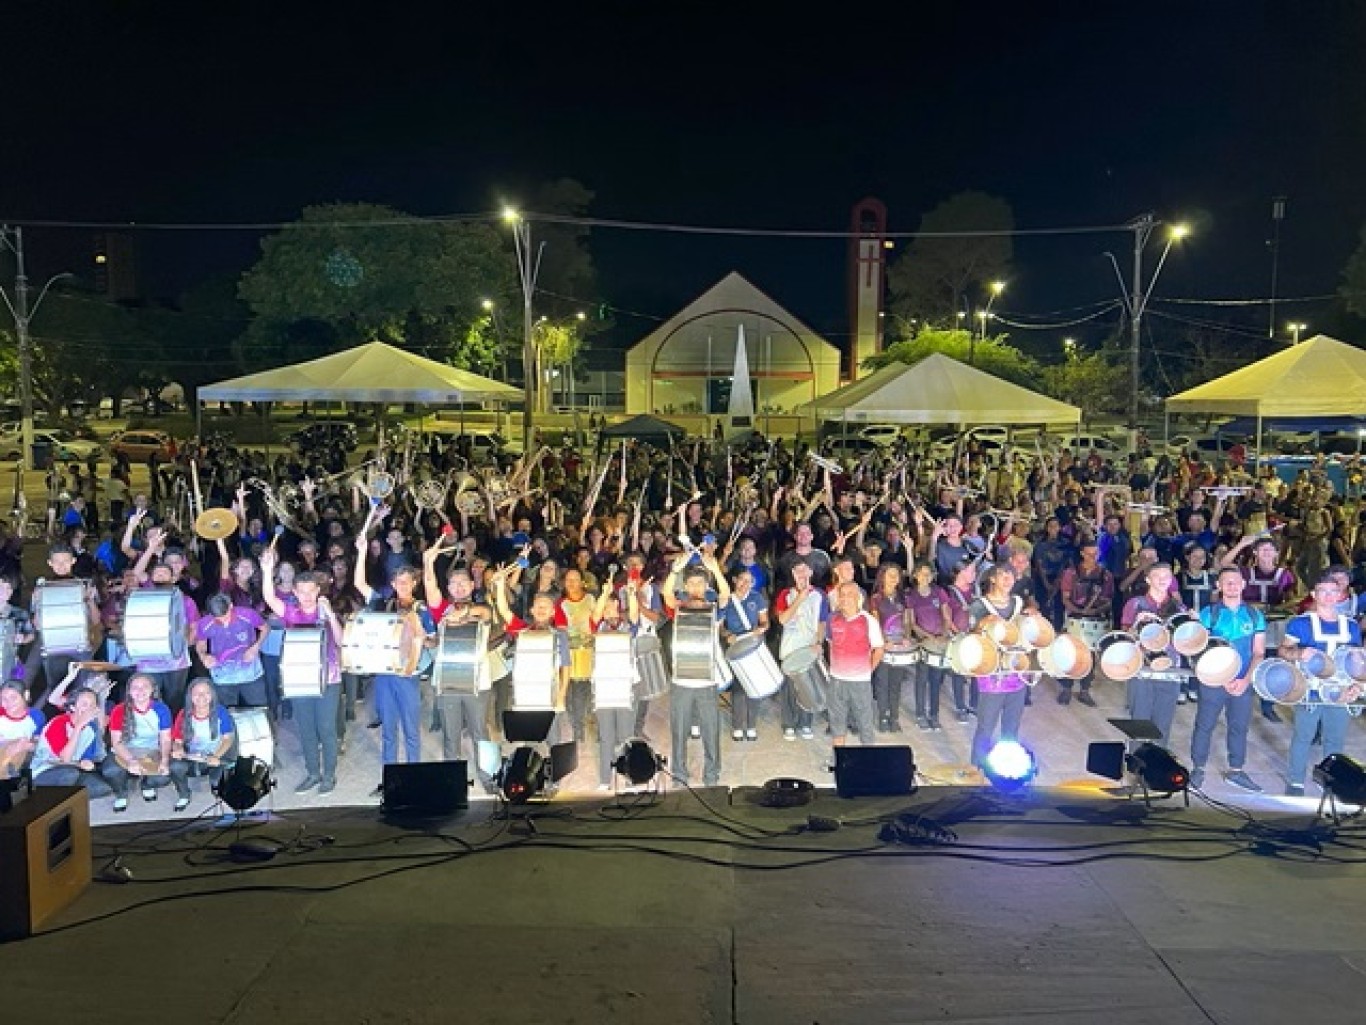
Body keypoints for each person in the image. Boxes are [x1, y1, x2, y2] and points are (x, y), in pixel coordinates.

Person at [261, 548, 344, 795]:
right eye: (302, 591)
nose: (307, 596)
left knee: (326, 728)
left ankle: (329, 775)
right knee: (306, 728)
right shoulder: (291, 611)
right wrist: (267, 571)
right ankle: (312, 773)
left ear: (318, 591)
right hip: (299, 679)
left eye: (312, 591)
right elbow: (269, 598)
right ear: (295, 592)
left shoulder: (327, 612)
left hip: (328, 677)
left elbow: (341, 641)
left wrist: (329, 613)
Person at [353, 534, 434, 774]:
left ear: (414, 584)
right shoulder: (383, 603)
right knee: (388, 728)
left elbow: (433, 640)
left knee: (411, 728)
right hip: (385, 672)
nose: (403, 586)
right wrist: (362, 552)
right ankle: (391, 777)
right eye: (399, 582)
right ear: (393, 583)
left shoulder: (422, 610)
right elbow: (359, 584)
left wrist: (421, 635)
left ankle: (413, 774)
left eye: (407, 582)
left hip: (408, 673)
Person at [1280, 576, 1362, 797]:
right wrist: (1297, 653)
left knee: (1334, 739)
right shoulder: (1300, 623)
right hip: (1310, 689)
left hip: (1340, 690)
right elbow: (1283, 650)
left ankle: (1330, 780)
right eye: (1322, 591)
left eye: (1332, 591)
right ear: (1314, 595)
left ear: (1340, 596)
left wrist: (1357, 685)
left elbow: (1356, 661)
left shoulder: (1351, 626)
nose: (1327, 596)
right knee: (1303, 736)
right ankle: (1295, 781)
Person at [1191, 566, 1267, 792]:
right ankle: (1198, 768)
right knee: (1204, 725)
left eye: (1236, 582)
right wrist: (1221, 677)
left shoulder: (1254, 615)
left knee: (1239, 727)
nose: (1232, 586)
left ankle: (1236, 770)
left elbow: (1259, 652)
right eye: (1227, 582)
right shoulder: (1209, 613)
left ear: (1243, 584)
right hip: (1214, 680)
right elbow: (1198, 649)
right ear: (1219, 586)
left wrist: (1245, 680)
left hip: (1243, 680)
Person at [661, 549, 731, 787]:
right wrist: (675, 570)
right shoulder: (678, 607)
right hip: (681, 681)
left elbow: (725, 596)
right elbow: (667, 594)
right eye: (691, 583)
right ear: (686, 586)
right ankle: (679, 775)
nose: (696, 588)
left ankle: (711, 775)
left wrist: (715, 570)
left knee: (711, 733)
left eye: (700, 583)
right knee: (679, 732)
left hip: (706, 681)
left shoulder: (714, 609)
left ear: (706, 585)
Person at [1120, 563, 1188, 746]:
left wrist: (1193, 626)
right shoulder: (1135, 604)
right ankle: (1136, 762)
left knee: (1163, 722)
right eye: (1158, 575)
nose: (1163, 579)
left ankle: (1157, 763)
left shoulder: (1179, 608)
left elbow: (1186, 644)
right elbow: (1125, 639)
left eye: (1167, 576)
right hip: (1142, 668)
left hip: (1171, 669)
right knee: (1140, 719)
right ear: (1148, 579)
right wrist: (1136, 624)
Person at [967, 565, 1028, 767]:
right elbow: (971, 638)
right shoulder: (980, 605)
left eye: (1011, 575)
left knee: (1012, 727)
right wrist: (983, 624)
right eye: (1003, 575)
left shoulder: (1018, 603)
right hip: (992, 675)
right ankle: (977, 768)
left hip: (1016, 672)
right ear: (992, 579)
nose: (1008, 579)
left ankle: (1005, 766)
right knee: (986, 726)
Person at [101, 672, 174, 813]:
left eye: (145, 686)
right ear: (129, 691)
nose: (140, 691)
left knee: (163, 777)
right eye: (135, 687)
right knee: (110, 771)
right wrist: (131, 760)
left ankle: (147, 784)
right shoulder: (118, 710)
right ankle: (121, 793)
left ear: (152, 689)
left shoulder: (162, 709)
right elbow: (117, 742)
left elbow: (165, 739)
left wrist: (164, 760)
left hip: (152, 750)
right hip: (126, 750)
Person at [825, 581, 884, 747]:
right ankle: (839, 759)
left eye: (849, 595)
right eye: (841, 595)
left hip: (860, 682)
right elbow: (831, 644)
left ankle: (868, 759)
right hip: (837, 681)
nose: (844, 599)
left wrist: (867, 671)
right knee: (837, 723)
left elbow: (878, 649)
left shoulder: (868, 621)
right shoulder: (832, 619)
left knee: (865, 723)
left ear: (858, 597)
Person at [774, 558, 826, 741]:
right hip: (790, 648)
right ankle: (788, 724)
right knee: (789, 689)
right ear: (793, 575)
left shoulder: (819, 595)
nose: (802, 575)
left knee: (808, 687)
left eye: (805, 571)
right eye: (797, 572)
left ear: (810, 572)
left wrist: (819, 642)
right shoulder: (785, 594)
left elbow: (822, 621)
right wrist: (799, 598)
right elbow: (782, 619)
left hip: (809, 647)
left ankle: (805, 723)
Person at [29, 685, 112, 796]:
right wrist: (78, 727)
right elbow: (65, 759)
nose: (89, 709)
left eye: (92, 705)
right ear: (72, 707)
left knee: (102, 788)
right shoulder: (58, 723)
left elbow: (87, 755)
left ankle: (69, 792)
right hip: (45, 770)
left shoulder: (91, 728)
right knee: (69, 775)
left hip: (73, 767)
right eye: (84, 704)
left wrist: (86, 761)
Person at [168, 677, 236, 812]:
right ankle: (184, 794)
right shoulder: (183, 714)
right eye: (197, 693)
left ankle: (216, 781)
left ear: (212, 695)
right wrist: (178, 749)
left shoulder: (221, 712)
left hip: (215, 757)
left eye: (206, 693)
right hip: (191, 757)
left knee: (218, 785)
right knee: (175, 766)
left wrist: (216, 756)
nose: (201, 697)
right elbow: (177, 741)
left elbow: (227, 739)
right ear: (190, 696)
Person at [1057, 540, 1111, 707]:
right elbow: (1065, 598)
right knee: (1070, 653)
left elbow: (1109, 600)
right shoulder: (1071, 573)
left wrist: (1094, 611)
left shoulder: (1105, 575)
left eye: (1095, 554)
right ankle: (1066, 688)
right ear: (1082, 553)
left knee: (1090, 655)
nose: (1093, 557)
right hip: (1074, 616)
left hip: (1095, 618)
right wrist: (1078, 611)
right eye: (1089, 553)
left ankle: (1085, 690)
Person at [719, 565, 769, 742]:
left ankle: (752, 725)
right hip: (735, 648)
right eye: (742, 579)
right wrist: (727, 635)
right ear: (734, 580)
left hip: (753, 646)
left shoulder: (757, 598)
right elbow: (720, 626)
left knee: (754, 687)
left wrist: (760, 629)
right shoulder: (726, 600)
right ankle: (738, 726)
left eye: (749, 581)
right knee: (739, 689)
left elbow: (765, 622)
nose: (745, 584)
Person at [194, 592, 270, 708]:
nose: (224, 622)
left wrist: (255, 647)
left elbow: (266, 628)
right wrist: (203, 656)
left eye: (226, 617)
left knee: (260, 709)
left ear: (230, 606)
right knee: (227, 712)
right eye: (218, 619)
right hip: (223, 676)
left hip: (250, 673)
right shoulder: (205, 623)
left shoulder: (247, 615)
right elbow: (200, 644)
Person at [868, 562, 913, 731]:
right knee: (882, 683)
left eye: (897, 575)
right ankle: (882, 717)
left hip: (900, 647)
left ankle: (894, 717)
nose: (894, 578)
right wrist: (884, 640)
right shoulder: (876, 599)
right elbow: (875, 622)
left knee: (896, 684)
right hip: (883, 646)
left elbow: (907, 621)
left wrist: (907, 637)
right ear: (882, 577)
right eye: (890, 575)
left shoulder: (904, 598)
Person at [0, 680, 43, 779]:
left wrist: (26, 746)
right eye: (3, 699)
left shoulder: (36, 716)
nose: (8, 703)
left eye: (13, 698)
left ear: (26, 695)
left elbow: (38, 742)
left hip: (22, 760)